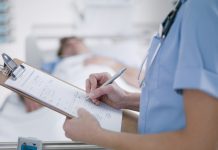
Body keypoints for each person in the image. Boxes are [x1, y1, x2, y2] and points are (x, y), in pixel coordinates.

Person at [63, 0, 218, 149]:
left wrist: (96, 136)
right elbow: (178, 103)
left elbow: (201, 144)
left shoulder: (201, 9)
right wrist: (125, 99)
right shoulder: (187, 9)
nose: (73, 44)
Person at [23, 36, 139, 112]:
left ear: (86, 46)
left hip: (114, 97)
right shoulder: (57, 63)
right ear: (61, 53)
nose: (73, 44)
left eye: (77, 41)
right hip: (66, 97)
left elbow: (141, 80)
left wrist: (112, 63)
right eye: (68, 45)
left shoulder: (107, 59)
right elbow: (31, 76)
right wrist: (26, 91)